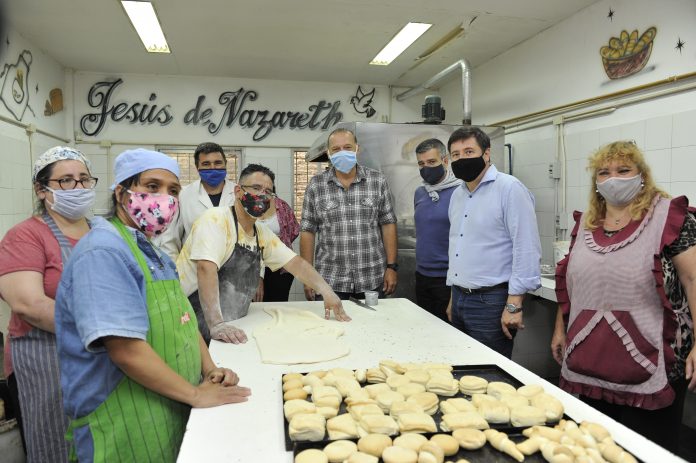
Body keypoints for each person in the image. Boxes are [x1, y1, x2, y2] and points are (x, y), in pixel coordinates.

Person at [55, 149, 250, 462]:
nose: (165, 198)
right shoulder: (104, 252)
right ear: (121, 193)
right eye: (152, 187)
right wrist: (197, 394)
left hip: (165, 407)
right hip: (121, 421)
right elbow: (125, 350)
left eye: (173, 191)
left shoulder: (156, 255)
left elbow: (182, 317)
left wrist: (210, 369)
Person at [551, 141, 696, 452]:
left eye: (623, 170)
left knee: (648, 449)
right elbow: (572, 281)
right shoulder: (586, 224)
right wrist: (560, 329)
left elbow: (693, 279)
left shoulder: (670, 218)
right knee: (597, 447)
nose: (613, 178)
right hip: (591, 358)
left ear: (641, 175)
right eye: (604, 172)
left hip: (655, 356)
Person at [177, 163, 350, 345]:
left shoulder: (260, 232)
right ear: (238, 191)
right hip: (191, 320)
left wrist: (327, 291)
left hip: (231, 324)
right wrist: (217, 324)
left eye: (268, 192)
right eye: (256, 188)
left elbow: (295, 264)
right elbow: (205, 268)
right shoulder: (215, 219)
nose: (262, 195)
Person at [0, 146, 96, 463]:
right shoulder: (25, 236)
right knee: (56, 446)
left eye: (84, 179)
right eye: (66, 180)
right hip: (46, 362)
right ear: (42, 190)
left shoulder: (103, 232)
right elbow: (28, 304)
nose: (78, 187)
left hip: (101, 359)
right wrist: (100, 330)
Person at [445, 127, 541, 359]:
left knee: (489, 372)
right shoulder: (457, 194)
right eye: (456, 155)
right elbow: (458, 247)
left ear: (487, 154)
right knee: (462, 367)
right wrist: (453, 297)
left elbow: (526, 246)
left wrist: (514, 305)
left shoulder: (509, 189)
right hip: (459, 297)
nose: (462, 159)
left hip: (491, 301)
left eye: (469, 151)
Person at [300, 127, 398, 301]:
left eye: (347, 147)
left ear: (357, 149)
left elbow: (388, 223)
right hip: (330, 280)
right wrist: (307, 276)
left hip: (372, 278)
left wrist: (392, 266)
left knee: (373, 327)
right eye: (336, 149)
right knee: (332, 328)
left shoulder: (377, 181)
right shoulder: (316, 185)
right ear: (328, 153)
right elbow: (307, 232)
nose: (342, 153)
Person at [154, 142, 236, 261]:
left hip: (233, 269)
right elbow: (170, 238)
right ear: (198, 167)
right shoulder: (183, 195)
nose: (213, 168)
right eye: (206, 164)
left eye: (218, 163)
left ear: (225, 164)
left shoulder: (238, 194)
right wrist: (176, 269)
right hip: (193, 271)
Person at [413, 138, 462, 322]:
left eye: (432, 162)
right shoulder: (421, 192)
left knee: (449, 333)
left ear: (446, 160)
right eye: (421, 163)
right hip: (422, 276)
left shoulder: (460, 192)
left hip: (448, 279)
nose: (426, 168)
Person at [256, 172, 301, 302]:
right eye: (257, 187)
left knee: (277, 306)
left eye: (267, 189)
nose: (262, 192)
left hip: (280, 267)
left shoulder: (282, 206)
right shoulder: (245, 206)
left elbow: (293, 230)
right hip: (252, 267)